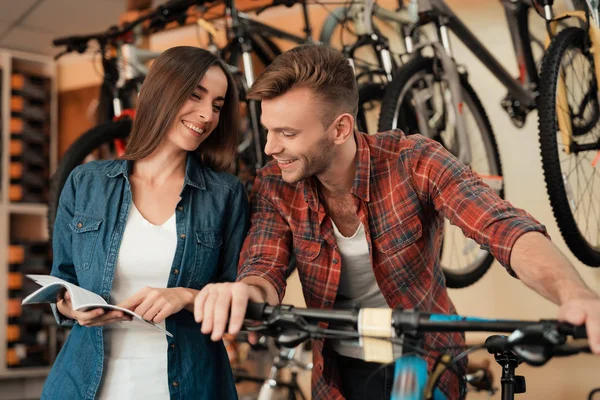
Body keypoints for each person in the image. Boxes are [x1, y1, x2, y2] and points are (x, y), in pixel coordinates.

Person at [194, 44, 600, 399]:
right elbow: (264, 267)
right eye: (268, 130)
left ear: (340, 129)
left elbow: (503, 228)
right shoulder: (275, 186)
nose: (270, 147)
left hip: (422, 360)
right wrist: (245, 293)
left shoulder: (414, 160)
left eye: (286, 133)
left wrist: (575, 296)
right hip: (336, 371)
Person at [43, 46, 249, 399]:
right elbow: (62, 283)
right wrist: (71, 307)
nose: (206, 115)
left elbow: (238, 299)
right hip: (85, 386)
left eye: (216, 105)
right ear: (162, 92)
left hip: (191, 385)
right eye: (195, 97)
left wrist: (183, 297)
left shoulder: (225, 194)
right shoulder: (86, 183)